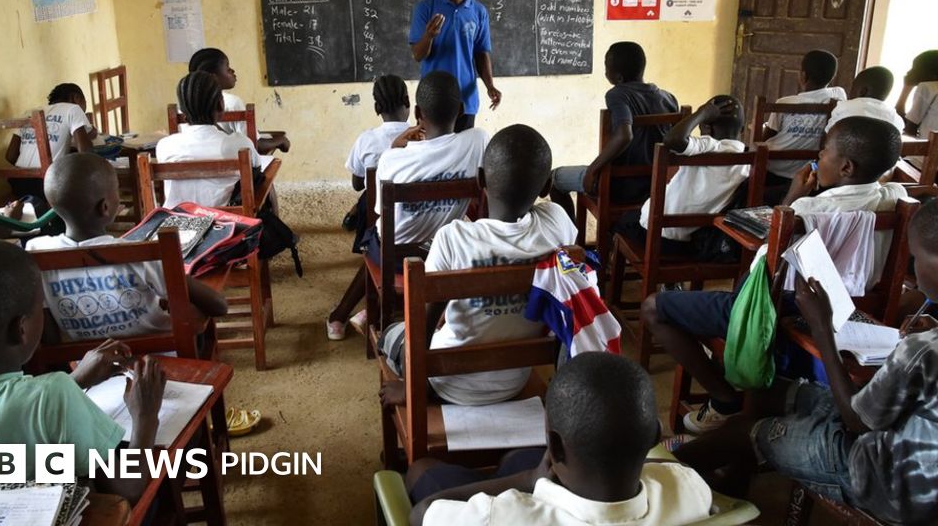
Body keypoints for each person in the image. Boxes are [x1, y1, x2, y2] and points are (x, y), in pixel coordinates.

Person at [674, 198, 938, 525]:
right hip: (904, 443)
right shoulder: (928, 343)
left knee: (747, 431)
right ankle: (728, 483)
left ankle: (656, 473)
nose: (914, 273)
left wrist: (821, 327)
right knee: (764, 393)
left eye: (916, 258)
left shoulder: (923, 350)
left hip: (888, 482)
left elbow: (856, 420)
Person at [642, 116, 907, 434]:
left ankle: (725, 400)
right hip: (849, 312)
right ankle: (730, 368)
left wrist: (793, 197)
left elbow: (767, 254)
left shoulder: (807, 209)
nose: (819, 156)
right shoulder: (894, 198)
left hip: (777, 311)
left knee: (654, 307)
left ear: (846, 167)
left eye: (824, 151)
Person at [0, 238, 166, 503]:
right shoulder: (54, 395)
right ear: (21, 329)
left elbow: (7, 414)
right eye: (40, 308)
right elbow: (129, 487)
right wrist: (145, 416)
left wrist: (75, 380)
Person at [378, 124, 576, 407]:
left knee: (391, 333)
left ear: (480, 178)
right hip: (513, 381)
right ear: (545, 187)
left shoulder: (453, 238)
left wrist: (411, 387)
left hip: (445, 383)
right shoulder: (557, 224)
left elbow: (421, 324)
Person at [407, 352, 713, 526]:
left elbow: (422, 512)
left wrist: (529, 479)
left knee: (424, 471)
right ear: (655, 437)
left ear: (554, 447)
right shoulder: (689, 486)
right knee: (517, 457)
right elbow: (671, 469)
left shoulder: (498, 515)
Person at [25, 152, 228, 343]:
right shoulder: (145, 255)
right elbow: (219, 306)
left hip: (89, 361)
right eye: (116, 190)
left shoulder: (36, 251)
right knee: (194, 315)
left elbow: (47, 328)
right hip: (159, 357)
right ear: (105, 207)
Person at [364, 70, 488, 265]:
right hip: (444, 256)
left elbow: (382, 211)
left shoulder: (390, 159)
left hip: (395, 260)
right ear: (461, 110)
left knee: (369, 236)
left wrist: (393, 147)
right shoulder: (478, 140)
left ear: (417, 113)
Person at [550, 42, 679, 217]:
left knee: (554, 179)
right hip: (659, 186)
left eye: (606, 68)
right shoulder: (669, 98)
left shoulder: (618, 94)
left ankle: (571, 233)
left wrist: (593, 170)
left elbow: (624, 135)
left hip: (621, 188)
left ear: (618, 78)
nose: (605, 72)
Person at [328, 75, 411, 341]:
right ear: (408, 102)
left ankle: (343, 314)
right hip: (419, 220)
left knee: (370, 214)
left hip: (381, 219)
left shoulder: (367, 139)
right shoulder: (422, 138)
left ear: (377, 108)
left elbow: (357, 183)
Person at [615, 95, 748, 258]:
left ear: (706, 128)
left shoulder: (708, 146)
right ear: (742, 129)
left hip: (658, 238)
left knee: (622, 222)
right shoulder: (749, 160)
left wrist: (701, 113)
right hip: (690, 243)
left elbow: (672, 139)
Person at [409, 0, 500, 132]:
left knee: (464, 149)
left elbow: (481, 53)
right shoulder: (425, 8)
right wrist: (429, 36)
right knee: (433, 150)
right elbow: (417, 55)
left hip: (465, 99)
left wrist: (490, 86)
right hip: (433, 100)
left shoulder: (478, 12)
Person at [156, 71, 266, 209]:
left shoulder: (164, 146)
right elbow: (257, 168)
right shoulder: (239, 144)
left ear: (182, 111)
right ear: (220, 105)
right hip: (224, 218)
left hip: (176, 218)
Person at [761, 49, 847, 187]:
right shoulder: (838, 98)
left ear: (803, 75)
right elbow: (838, 90)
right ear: (832, 77)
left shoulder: (784, 103)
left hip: (773, 169)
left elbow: (765, 138)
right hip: (809, 172)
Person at [6, 83, 97, 206]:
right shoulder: (73, 109)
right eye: (84, 103)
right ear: (76, 98)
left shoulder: (29, 112)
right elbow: (86, 151)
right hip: (47, 184)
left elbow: (10, 156)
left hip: (17, 183)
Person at [188, 47, 291, 154]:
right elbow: (255, 145)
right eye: (227, 68)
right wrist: (281, 140)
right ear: (213, 77)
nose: (232, 71)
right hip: (231, 161)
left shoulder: (187, 104)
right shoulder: (232, 102)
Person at [825, 66, 903, 133]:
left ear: (862, 92)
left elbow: (828, 132)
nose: (850, 92)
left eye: (852, 88)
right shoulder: (896, 119)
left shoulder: (844, 106)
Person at [896, 49, 938, 138]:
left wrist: (906, 88)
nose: (909, 72)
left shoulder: (927, 87)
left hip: (929, 145)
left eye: (915, 68)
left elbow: (910, 127)